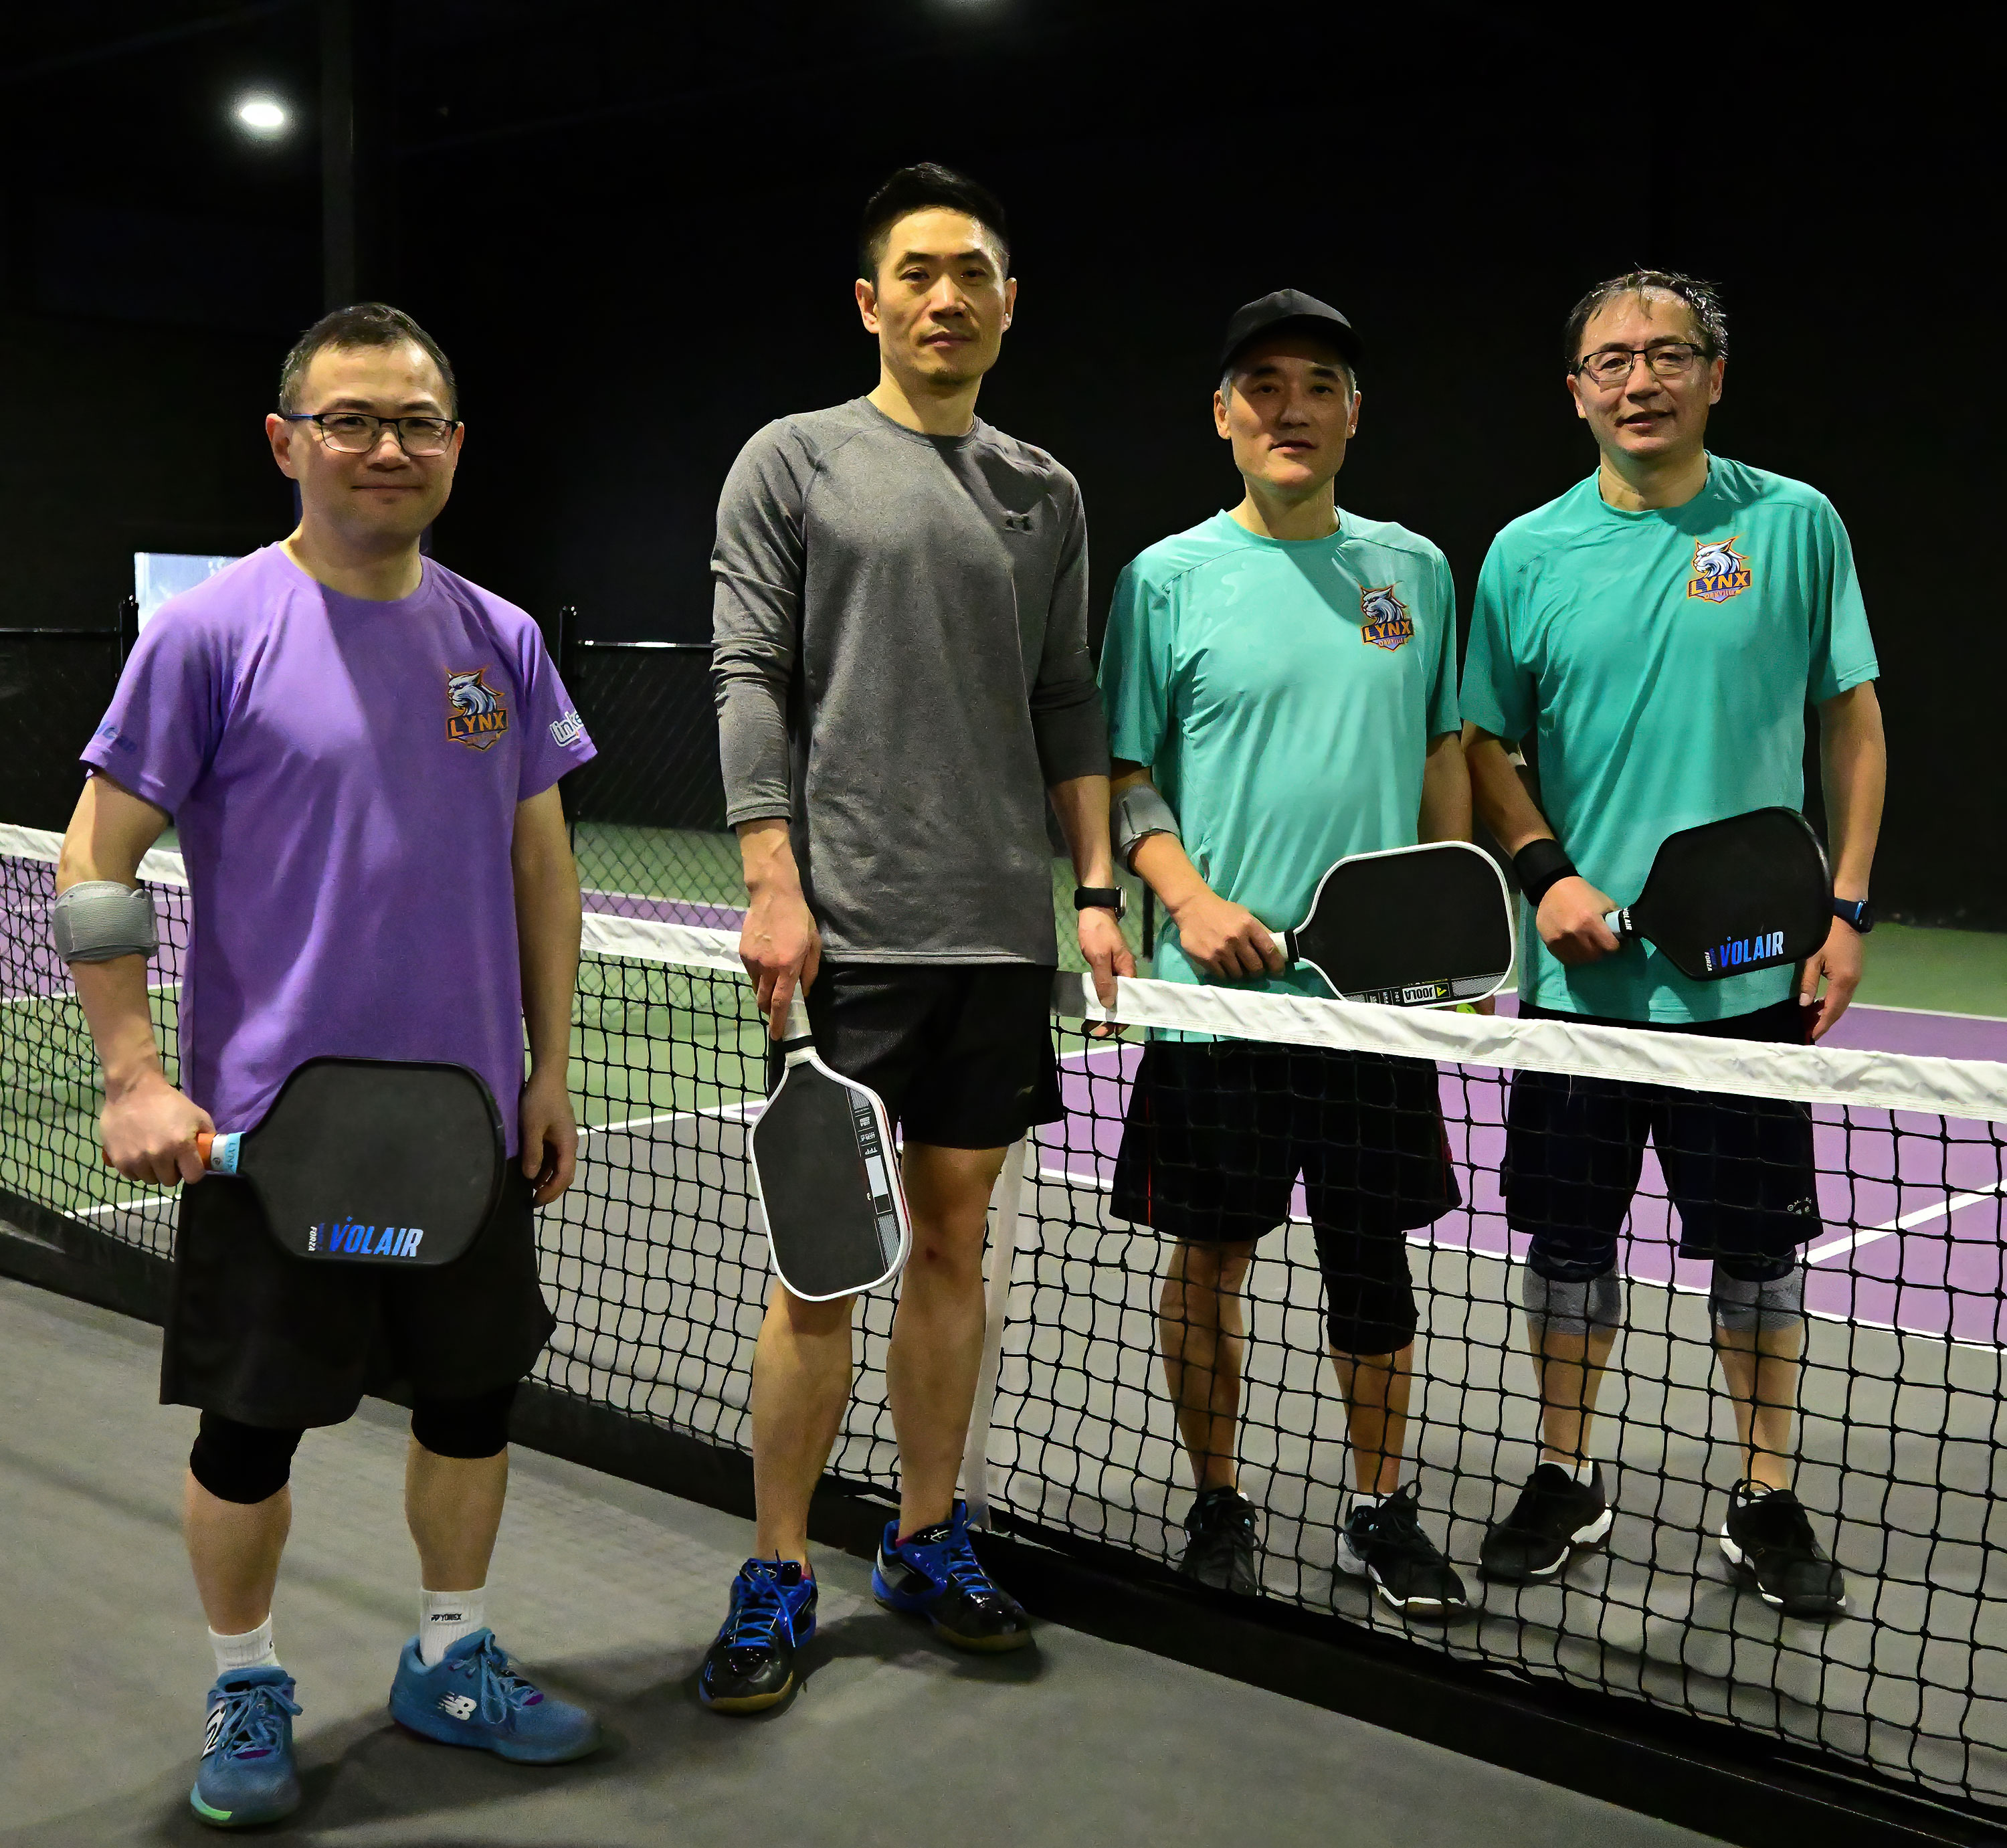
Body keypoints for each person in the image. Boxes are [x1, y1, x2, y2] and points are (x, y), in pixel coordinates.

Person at [54, 303, 601, 1828]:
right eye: (351, 420)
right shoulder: (210, 632)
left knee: (472, 1405)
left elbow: (542, 870)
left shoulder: (502, 641)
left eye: (417, 422)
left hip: (464, 1126)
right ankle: (245, 1679)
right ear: (287, 442)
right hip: (267, 1133)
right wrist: (131, 1075)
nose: (386, 448)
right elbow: (95, 863)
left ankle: (451, 1656)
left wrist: (549, 1070)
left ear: (456, 447)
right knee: (251, 1434)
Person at [704, 163, 1129, 1711]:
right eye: (918, 274)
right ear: (871, 301)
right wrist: (773, 877)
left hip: (996, 937)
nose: (946, 298)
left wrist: (1095, 887)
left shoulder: (1045, 490)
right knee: (824, 1266)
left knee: (955, 1244)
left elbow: (1065, 696)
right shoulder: (796, 459)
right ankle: (776, 1565)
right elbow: (748, 671)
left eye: (973, 276)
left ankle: (927, 1533)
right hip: (851, 936)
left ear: (1009, 305)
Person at [1460, 270, 1884, 1620]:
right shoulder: (1526, 552)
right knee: (1566, 1243)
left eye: (1668, 354)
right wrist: (1547, 875)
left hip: (1751, 977)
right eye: (1611, 360)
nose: (1639, 379)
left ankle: (1765, 1489)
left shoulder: (1794, 524)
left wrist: (1848, 907)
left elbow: (1851, 717)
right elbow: (1484, 742)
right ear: (1576, 389)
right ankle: (1565, 1470)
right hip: (1584, 985)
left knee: (1758, 1253)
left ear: (1715, 375)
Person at [1101, 290, 1472, 1619]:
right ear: (1222, 415)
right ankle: (1219, 1499)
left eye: (1319, 384)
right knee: (1209, 1259)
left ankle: (1381, 1509)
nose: (1291, 408)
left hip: (1369, 1008)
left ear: (1355, 412)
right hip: (1220, 1009)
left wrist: (1453, 933)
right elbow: (1122, 774)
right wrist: (1188, 899)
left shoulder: (1415, 573)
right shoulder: (1164, 579)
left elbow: (1442, 752)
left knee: (1373, 1264)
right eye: (1263, 385)